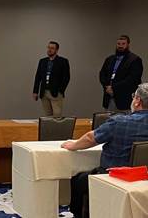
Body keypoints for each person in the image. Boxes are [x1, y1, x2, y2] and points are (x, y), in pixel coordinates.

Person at [61, 83, 148, 218]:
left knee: (78, 180)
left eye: (134, 97)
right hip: (143, 177)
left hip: (113, 176)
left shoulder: (119, 122)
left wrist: (73, 145)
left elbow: (91, 138)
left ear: (137, 101)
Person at [99, 35, 143, 111]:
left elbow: (132, 79)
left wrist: (114, 87)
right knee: (109, 121)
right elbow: (102, 74)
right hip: (109, 97)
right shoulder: (110, 59)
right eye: (118, 44)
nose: (120, 46)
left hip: (125, 100)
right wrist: (106, 86)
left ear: (128, 45)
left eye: (123, 44)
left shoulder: (134, 60)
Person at [32, 41, 70, 116]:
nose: (49, 50)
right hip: (44, 92)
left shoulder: (63, 61)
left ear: (56, 50)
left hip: (56, 92)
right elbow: (38, 76)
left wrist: (61, 91)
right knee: (47, 116)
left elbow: (66, 77)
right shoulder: (43, 61)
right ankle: (48, 128)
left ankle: (57, 128)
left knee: (57, 115)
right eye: (48, 47)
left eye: (52, 48)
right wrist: (35, 91)